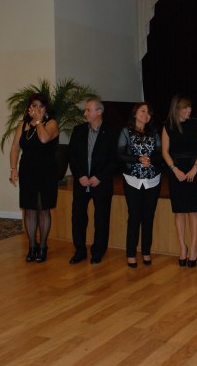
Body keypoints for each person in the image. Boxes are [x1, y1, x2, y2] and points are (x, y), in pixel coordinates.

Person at [9, 93, 59, 263]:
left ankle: (43, 246)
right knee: (29, 209)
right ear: (29, 108)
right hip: (27, 171)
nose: (37, 109)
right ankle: (32, 246)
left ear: (46, 108)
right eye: (34, 106)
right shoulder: (22, 125)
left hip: (46, 172)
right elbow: (15, 148)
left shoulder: (51, 123)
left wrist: (38, 121)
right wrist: (13, 168)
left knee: (43, 208)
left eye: (41, 106)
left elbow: (44, 139)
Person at [68, 97, 118, 265]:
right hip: (81, 183)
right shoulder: (78, 131)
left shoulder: (111, 132)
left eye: (88, 110)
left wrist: (100, 176)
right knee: (78, 218)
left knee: (101, 219)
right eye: (85, 110)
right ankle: (80, 251)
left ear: (99, 112)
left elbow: (115, 160)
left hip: (101, 183)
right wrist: (80, 175)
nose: (85, 113)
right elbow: (72, 156)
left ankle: (98, 252)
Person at [162, 95, 197, 268]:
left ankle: (194, 247)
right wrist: (174, 170)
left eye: (190, 107)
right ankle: (182, 247)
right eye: (185, 108)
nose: (189, 110)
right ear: (176, 109)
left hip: (194, 168)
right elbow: (165, 152)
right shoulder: (168, 126)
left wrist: (195, 168)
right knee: (179, 211)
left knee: (193, 211)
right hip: (176, 170)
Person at [117, 102, 162, 268]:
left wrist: (150, 159)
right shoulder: (126, 132)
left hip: (152, 180)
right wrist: (138, 159)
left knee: (148, 217)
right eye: (143, 111)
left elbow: (160, 154)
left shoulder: (154, 132)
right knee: (134, 216)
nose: (146, 115)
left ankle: (146, 251)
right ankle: (131, 254)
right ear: (135, 113)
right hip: (132, 180)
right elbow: (119, 155)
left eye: (149, 112)